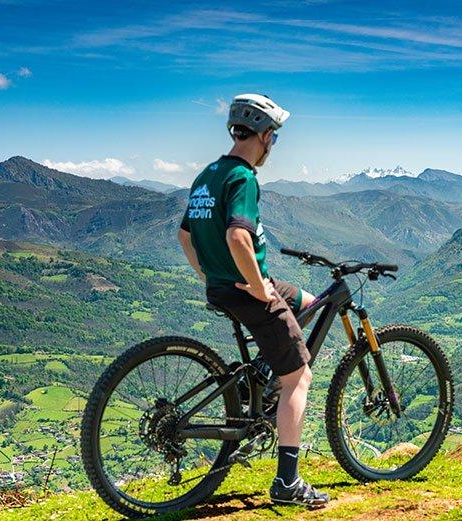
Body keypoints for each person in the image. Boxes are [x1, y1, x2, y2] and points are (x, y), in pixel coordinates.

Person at [177, 94, 330, 507]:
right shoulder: (243, 177)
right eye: (273, 138)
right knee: (300, 377)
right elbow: (237, 236)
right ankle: (287, 485)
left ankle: (258, 378)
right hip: (248, 289)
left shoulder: (209, 174)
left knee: (309, 303)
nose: (272, 146)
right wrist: (258, 288)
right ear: (264, 135)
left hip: (227, 286)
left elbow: (185, 236)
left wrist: (210, 274)